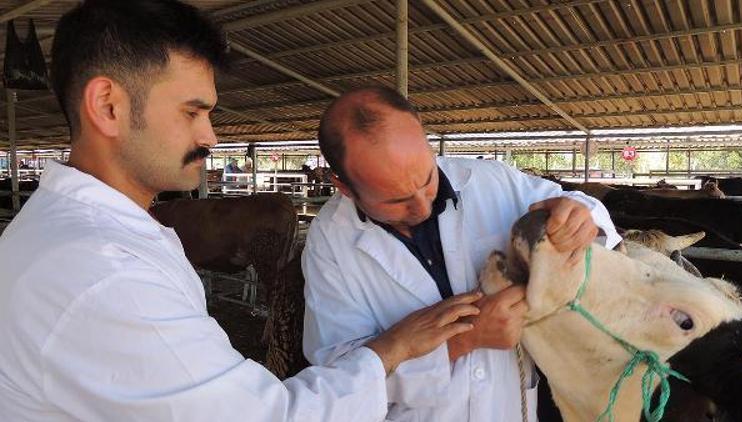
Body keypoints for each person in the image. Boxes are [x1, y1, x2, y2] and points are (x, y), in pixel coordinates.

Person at [0, 2, 483, 421]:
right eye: (192, 112)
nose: (210, 137)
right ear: (107, 106)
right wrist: (390, 350)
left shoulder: (69, 234)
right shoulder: (101, 271)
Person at [302, 86, 622, 422]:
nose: (422, 205)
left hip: (508, 409)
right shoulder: (329, 242)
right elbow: (341, 378)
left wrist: (579, 219)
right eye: (395, 201)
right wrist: (462, 341)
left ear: (425, 139)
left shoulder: (491, 179)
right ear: (345, 188)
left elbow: (587, 211)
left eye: (426, 179)